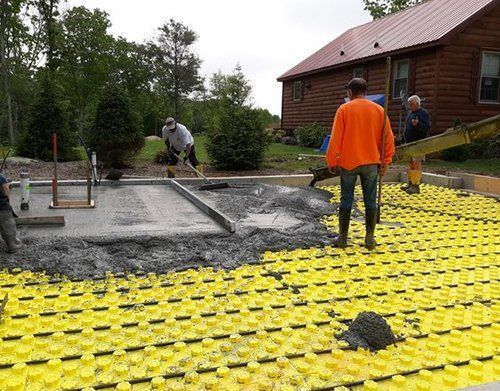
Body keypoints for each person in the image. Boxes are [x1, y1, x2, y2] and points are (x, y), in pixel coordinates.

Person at [325, 78, 395, 250]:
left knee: (346, 198)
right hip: (371, 162)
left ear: (350, 91)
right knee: (370, 199)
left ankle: (342, 238)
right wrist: (386, 161)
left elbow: (335, 138)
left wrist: (332, 161)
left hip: (348, 163)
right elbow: (388, 138)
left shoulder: (344, 109)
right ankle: (369, 238)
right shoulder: (379, 110)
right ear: (365, 91)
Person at [401, 95, 430, 194]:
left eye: (411, 104)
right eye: (409, 104)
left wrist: (417, 124)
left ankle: (416, 185)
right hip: (409, 143)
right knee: (410, 164)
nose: (409, 106)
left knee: (417, 164)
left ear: (417, 104)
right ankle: (410, 183)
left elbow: (426, 128)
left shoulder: (423, 113)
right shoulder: (410, 114)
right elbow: (406, 128)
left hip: (419, 144)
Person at [0, 174, 22, 253]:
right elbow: (6, 190)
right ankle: (14, 245)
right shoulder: (1, 177)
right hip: (2, 207)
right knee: (8, 228)